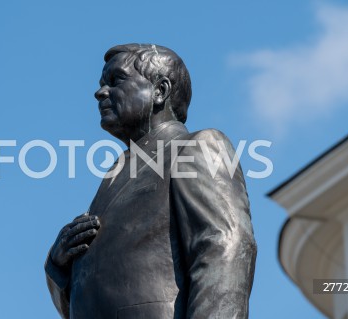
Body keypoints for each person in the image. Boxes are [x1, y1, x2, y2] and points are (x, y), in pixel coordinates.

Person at [45, 43, 257, 318]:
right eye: (101, 83)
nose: (100, 92)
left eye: (116, 81)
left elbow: (224, 248)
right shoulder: (115, 176)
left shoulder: (195, 147)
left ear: (160, 91)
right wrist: (58, 265)